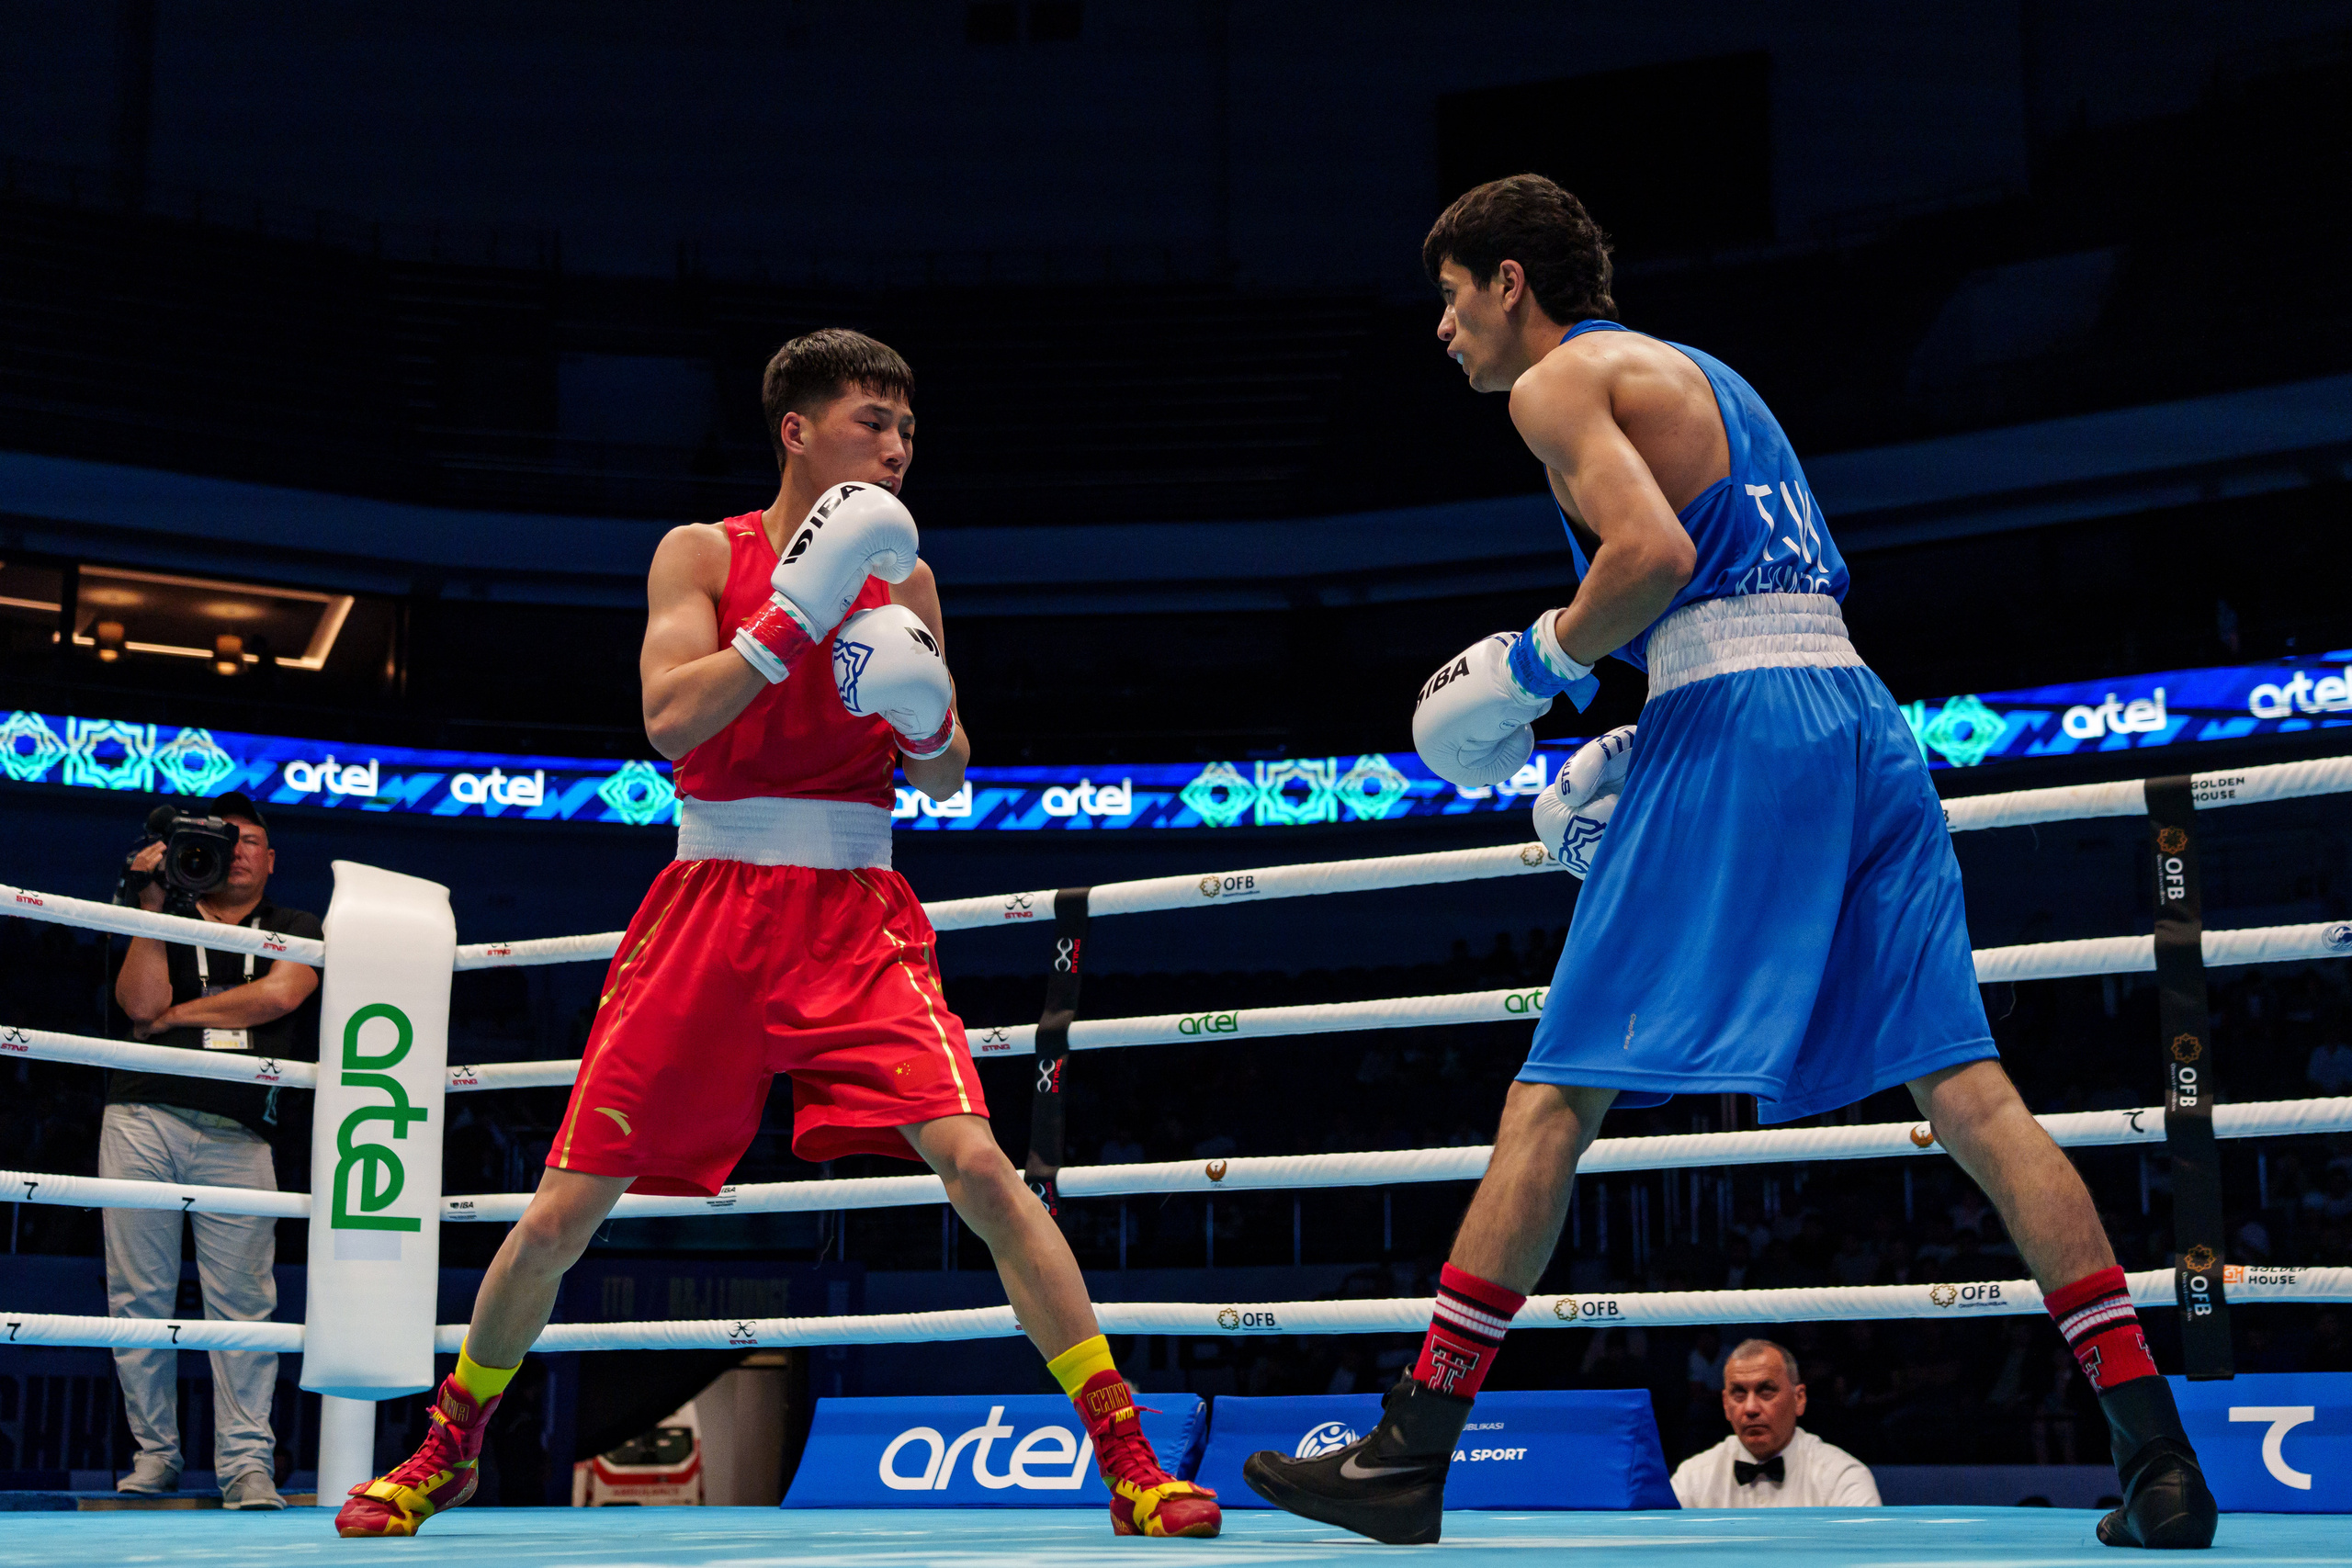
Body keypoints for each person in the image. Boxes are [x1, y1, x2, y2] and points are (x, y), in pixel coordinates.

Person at [1242, 175, 2215, 1549]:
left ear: (1511, 280)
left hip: (1742, 720)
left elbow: (1653, 555)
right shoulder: (1709, 374)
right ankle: (2158, 1459)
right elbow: (1747, 583)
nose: (1444, 333)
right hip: (1858, 715)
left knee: (1554, 1097)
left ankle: (1409, 1448)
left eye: (1452, 300)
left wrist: (1532, 664)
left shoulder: (1560, 382)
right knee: (1976, 1094)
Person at [334, 330, 1217, 1540]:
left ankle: (1131, 1459)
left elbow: (952, 775)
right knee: (557, 1214)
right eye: (872, 422)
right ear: (797, 429)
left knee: (981, 1167)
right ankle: (450, 1446)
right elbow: (667, 719)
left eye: (907, 428)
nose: (898, 448)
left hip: (855, 907)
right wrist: (791, 620)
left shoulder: (908, 579)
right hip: (708, 897)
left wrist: (928, 714)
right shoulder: (703, 552)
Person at [108, 792, 321, 1508]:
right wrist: (151, 897)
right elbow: (138, 1006)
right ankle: (154, 1457)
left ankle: (246, 1467)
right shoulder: (163, 912)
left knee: (244, 1307)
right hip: (142, 1115)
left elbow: (281, 994)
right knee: (139, 1298)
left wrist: (177, 1017)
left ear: (270, 858)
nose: (235, 851)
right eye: (222, 840)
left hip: (240, 1134)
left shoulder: (294, 925)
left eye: (251, 840)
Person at [1669, 1339, 1878, 1508]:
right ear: (1725, 1404)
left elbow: (1868, 1558)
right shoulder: (1692, 1479)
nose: (1750, 1408)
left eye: (1766, 1391)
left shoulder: (1842, 1478)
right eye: (1739, 1393)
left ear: (1799, 1399)